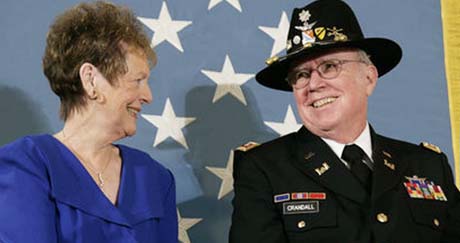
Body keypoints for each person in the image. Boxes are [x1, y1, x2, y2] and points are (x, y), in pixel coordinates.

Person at [230, 0, 460, 242]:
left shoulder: (427, 166)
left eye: (329, 66)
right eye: (301, 75)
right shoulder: (264, 169)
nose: (314, 84)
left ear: (369, 78)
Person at [0, 2, 177, 242]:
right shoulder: (27, 165)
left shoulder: (154, 177)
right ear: (91, 80)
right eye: (137, 80)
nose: (148, 96)